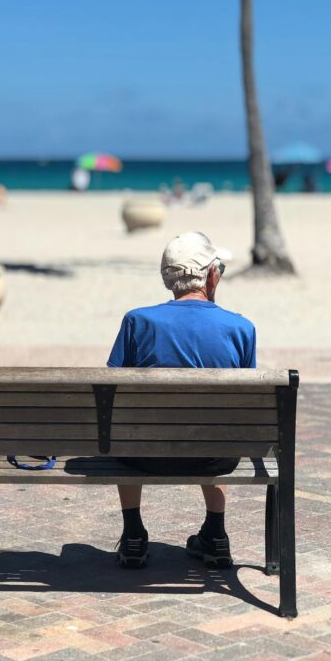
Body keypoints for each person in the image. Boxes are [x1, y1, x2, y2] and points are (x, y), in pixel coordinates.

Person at [107, 231, 257, 570]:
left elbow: (112, 391)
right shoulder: (241, 328)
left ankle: (133, 533)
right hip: (214, 458)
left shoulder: (137, 322)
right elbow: (243, 407)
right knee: (218, 424)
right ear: (211, 275)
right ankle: (216, 534)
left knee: (125, 428)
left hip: (144, 456)